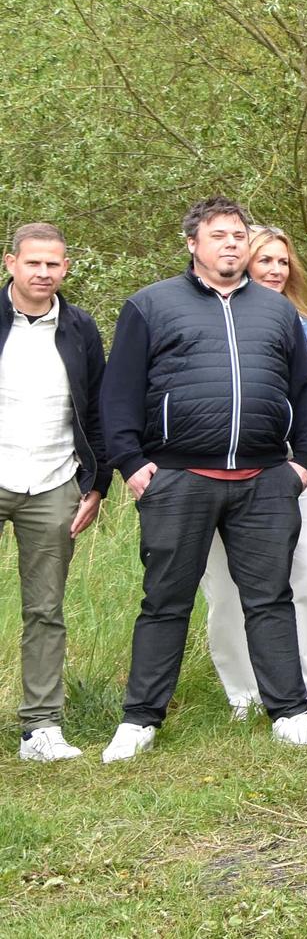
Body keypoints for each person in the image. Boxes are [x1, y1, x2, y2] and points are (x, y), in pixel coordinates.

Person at [100, 197, 307, 761]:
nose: (231, 243)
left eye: (238, 234)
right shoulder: (151, 305)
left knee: (270, 598)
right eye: (219, 234)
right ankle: (141, 719)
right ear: (193, 244)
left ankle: (290, 711)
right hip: (178, 478)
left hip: (265, 479)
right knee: (165, 601)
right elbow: (119, 392)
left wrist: (302, 460)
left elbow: (304, 389)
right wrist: (131, 464)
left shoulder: (276, 313)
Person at [198, 227, 307, 721]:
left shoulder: (306, 327)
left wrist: (302, 458)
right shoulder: (208, 321)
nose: (276, 270)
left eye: (283, 261)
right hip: (221, 470)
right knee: (227, 586)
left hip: (295, 470)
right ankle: (245, 693)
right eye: (266, 260)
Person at [2, 223, 107, 762]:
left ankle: (40, 729)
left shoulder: (81, 328)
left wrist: (96, 485)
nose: (44, 273)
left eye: (55, 264)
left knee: (44, 610)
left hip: (52, 483)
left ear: (66, 268)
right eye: (34, 263)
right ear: (11, 263)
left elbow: (97, 410)